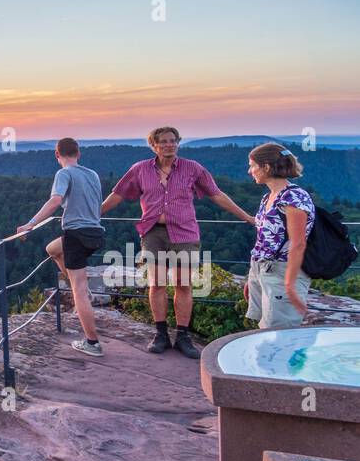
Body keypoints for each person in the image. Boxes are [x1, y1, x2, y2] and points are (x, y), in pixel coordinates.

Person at [100, 126, 255, 357]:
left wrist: (246, 217)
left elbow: (217, 194)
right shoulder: (140, 170)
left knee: (184, 285)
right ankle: (160, 334)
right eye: (163, 141)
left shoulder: (193, 169)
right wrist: (95, 214)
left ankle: (183, 336)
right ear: (154, 145)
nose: (168, 145)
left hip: (185, 233)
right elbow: (118, 194)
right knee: (157, 284)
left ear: (178, 143)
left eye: (173, 141)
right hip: (153, 232)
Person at [16, 137, 105, 357]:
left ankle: (92, 343)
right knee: (53, 249)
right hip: (95, 232)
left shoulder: (63, 173)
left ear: (57, 155)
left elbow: (55, 201)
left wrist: (31, 223)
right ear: (79, 153)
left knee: (79, 290)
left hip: (76, 234)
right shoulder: (91, 174)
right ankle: (84, 293)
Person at [245, 143, 315, 328]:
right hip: (262, 269)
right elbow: (264, 240)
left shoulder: (294, 198)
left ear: (266, 167)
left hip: (282, 271)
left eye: (252, 165)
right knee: (264, 329)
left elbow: (298, 244)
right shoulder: (268, 197)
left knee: (280, 333)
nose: (249, 171)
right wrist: (253, 276)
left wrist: (290, 284)